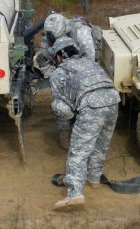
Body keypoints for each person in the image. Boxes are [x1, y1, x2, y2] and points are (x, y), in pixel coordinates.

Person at [48, 36, 120, 211]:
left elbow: (62, 109)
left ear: (58, 57)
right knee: (101, 146)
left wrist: (72, 114)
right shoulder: (91, 63)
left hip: (91, 105)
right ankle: (94, 179)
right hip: (113, 101)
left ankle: (74, 194)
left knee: (79, 152)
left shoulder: (59, 72)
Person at [36, 12, 97, 150]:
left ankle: (84, 129)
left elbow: (89, 61)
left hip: (83, 71)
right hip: (62, 72)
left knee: (84, 99)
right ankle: (64, 131)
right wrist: (55, 75)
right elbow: (44, 61)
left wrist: (72, 77)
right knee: (59, 98)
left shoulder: (82, 34)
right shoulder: (48, 39)